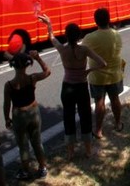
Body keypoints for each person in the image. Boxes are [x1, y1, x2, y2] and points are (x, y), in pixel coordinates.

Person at [38, 14, 106, 159]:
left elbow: (51, 38)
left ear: (66, 36)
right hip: (81, 87)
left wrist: (49, 24)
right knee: (85, 117)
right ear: (79, 35)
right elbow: (102, 63)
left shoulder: (62, 50)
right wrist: (89, 70)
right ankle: (88, 150)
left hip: (67, 87)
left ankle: (70, 152)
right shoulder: (85, 50)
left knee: (68, 117)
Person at [3, 50, 51, 180]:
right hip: (34, 111)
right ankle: (42, 167)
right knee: (37, 141)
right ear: (27, 65)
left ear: (13, 65)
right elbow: (47, 71)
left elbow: (6, 104)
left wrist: (7, 118)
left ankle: (25, 170)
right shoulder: (32, 78)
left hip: (19, 114)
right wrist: (39, 58)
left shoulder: (9, 85)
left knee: (23, 144)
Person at [82, 8, 124, 140]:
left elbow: (82, 52)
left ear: (95, 21)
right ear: (109, 19)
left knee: (99, 102)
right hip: (115, 73)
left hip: (97, 76)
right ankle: (117, 124)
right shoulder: (116, 34)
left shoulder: (90, 38)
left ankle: (98, 130)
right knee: (115, 99)